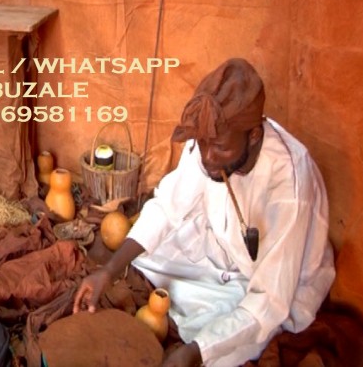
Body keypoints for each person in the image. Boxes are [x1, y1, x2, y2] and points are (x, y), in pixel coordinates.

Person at [73, 58, 336, 367]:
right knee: (143, 255)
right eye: (202, 145)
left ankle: (203, 341)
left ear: (254, 136)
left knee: (223, 348)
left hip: (277, 282)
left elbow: (270, 300)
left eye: (220, 149)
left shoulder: (290, 185)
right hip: (222, 248)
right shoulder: (210, 139)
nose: (208, 158)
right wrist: (109, 271)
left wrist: (193, 353)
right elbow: (168, 207)